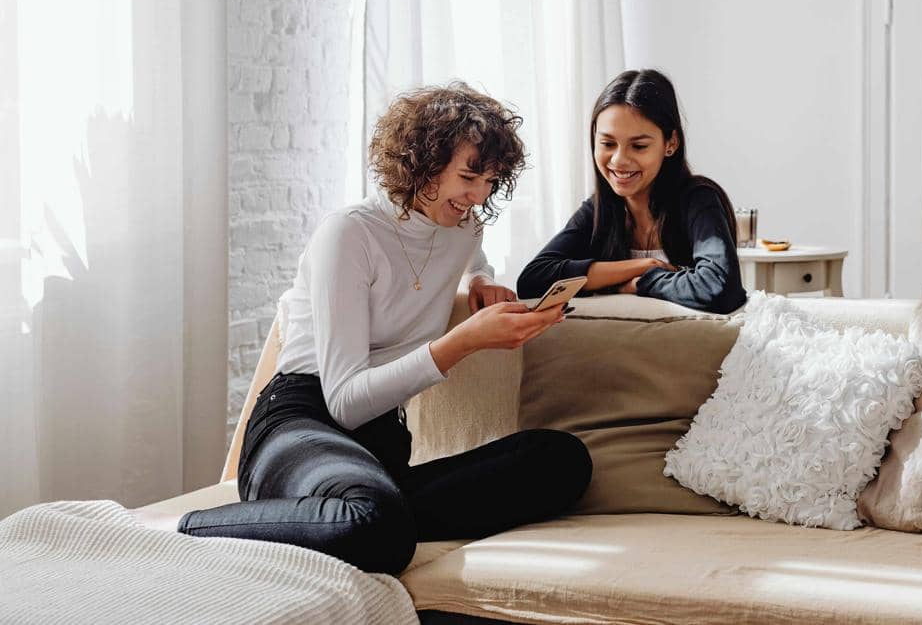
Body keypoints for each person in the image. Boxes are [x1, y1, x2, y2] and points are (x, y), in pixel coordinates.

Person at [178, 83, 592, 573]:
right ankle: (193, 527)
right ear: (423, 160)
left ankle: (360, 513)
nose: (479, 194)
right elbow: (346, 402)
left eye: (491, 180)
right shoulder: (350, 234)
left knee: (562, 460)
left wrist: (480, 277)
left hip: (380, 447)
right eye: (469, 176)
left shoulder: (463, 226)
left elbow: (468, 250)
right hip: (303, 424)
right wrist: (463, 342)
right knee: (376, 523)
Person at [517, 69, 746, 314]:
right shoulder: (599, 209)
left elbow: (720, 289)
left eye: (638, 146)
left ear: (671, 144)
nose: (619, 160)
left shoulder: (697, 198)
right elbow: (532, 280)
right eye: (607, 143)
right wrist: (641, 266)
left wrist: (643, 282)